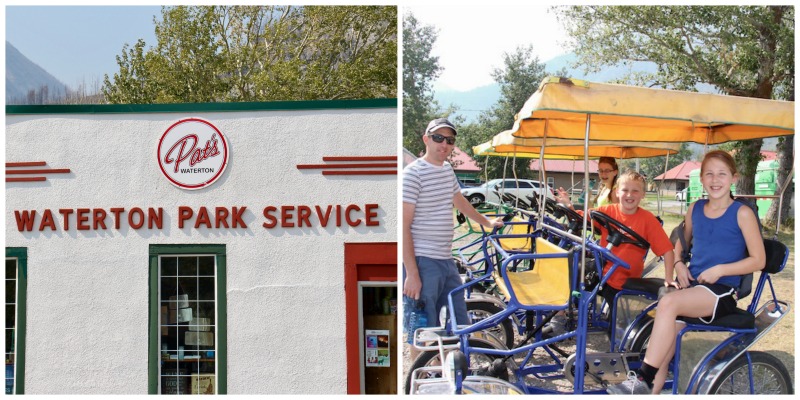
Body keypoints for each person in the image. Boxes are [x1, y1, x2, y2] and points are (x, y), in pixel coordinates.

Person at [607, 150, 765, 395]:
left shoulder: (742, 213)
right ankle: (650, 391)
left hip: (722, 293)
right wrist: (679, 263)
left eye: (722, 174)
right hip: (693, 289)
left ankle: (643, 378)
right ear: (701, 178)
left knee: (668, 303)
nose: (715, 179)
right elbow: (681, 242)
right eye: (709, 174)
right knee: (667, 338)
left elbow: (759, 260)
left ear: (734, 178)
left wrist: (721, 270)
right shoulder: (696, 209)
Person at [403, 117, 504, 358]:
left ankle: (450, 374)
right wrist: (412, 274)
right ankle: (419, 381)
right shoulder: (413, 174)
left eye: (449, 140)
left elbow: (459, 201)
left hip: (446, 260)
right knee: (421, 327)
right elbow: (403, 226)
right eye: (438, 138)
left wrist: (487, 222)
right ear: (426, 139)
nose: (444, 144)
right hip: (423, 261)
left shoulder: (447, 170)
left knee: (457, 321)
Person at [555, 170, 675, 309]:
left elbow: (667, 251)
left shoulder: (648, 220)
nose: (629, 195)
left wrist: (669, 278)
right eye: (625, 190)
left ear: (643, 194)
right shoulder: (607, 211)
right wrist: (569, 205)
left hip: (624, 279)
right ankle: (563, 311)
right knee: (571, 263)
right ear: (617, 192)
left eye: (635, 191)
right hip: (602, 272)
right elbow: (582, 218)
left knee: (615, 322)